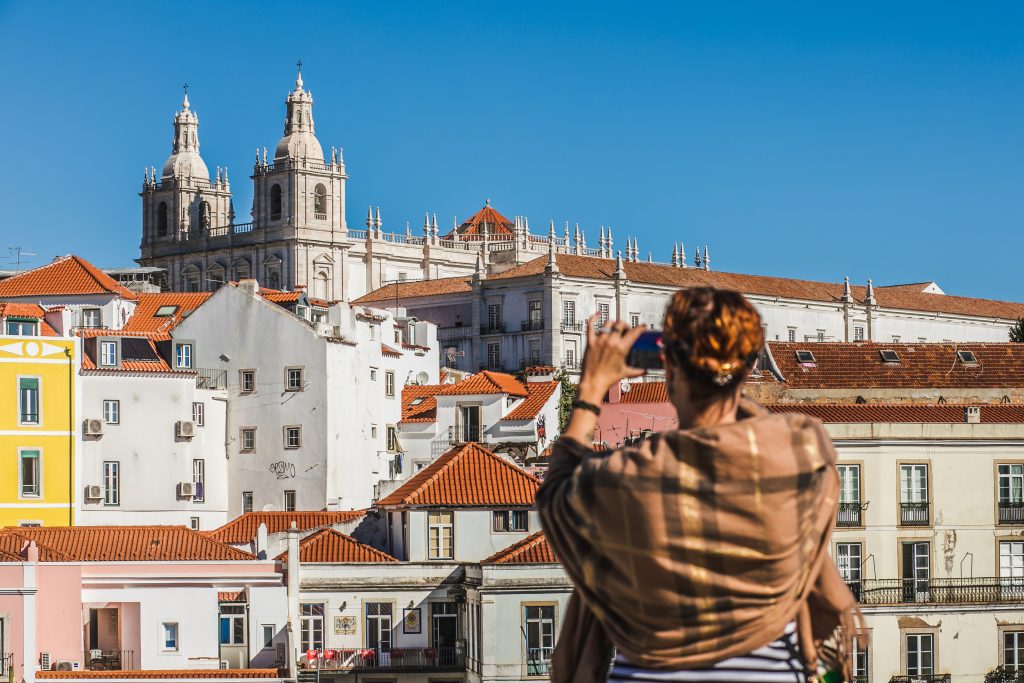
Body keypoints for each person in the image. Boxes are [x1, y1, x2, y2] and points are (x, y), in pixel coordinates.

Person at [537, 287, 860, 683]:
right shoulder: (801, 453)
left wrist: (589, 391)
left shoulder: (626, 478)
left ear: (669, 367)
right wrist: (728, 386)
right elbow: (753, 433)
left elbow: (556, 493)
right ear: (750, 366)